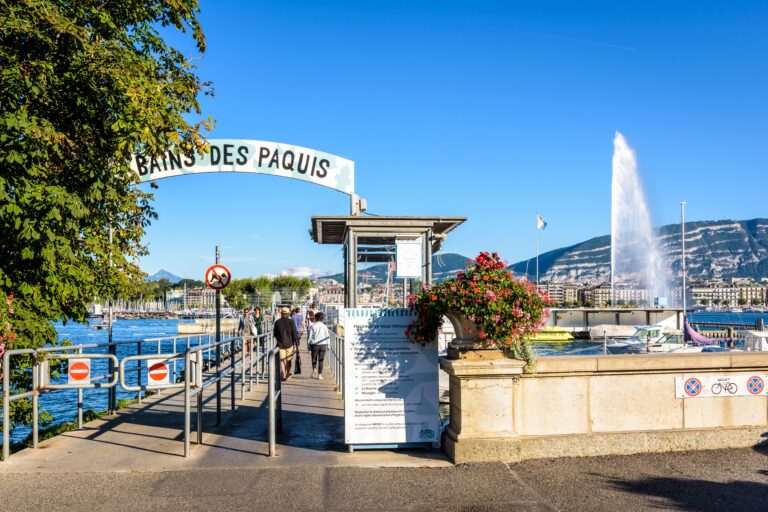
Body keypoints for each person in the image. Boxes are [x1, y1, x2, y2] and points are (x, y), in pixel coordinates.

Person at [274, 307, 299, 380]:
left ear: (281, 314)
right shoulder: (291, 322)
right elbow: (295, 333)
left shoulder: (277, 322)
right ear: (288, 314)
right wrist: (297, 344)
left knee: (281, 360)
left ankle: (284, 375)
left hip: (280, 344)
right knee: (289, 360)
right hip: (290, 344)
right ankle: (288, 373)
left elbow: (275, 334)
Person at [307, 311, 330, 379]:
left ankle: (314, 369)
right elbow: (327, 336)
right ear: (322, 319)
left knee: (314, 358)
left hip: (314, 344)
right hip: (323, 344)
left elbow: (310, 336)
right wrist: (328, 345)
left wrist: (308, 345)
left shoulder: (313, 326)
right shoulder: (324, 326)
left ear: (316, 318)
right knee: (321, 360)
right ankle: (320, 375)